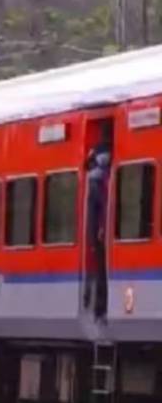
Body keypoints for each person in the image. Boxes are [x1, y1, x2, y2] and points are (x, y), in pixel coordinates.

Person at [84, 132, 112, 317]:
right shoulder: (101, 178)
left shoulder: (94, 178)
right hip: (101, 229)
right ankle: (99, 306)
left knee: (99, 266)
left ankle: (97, 306)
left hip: (98, 229)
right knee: (101, 268)